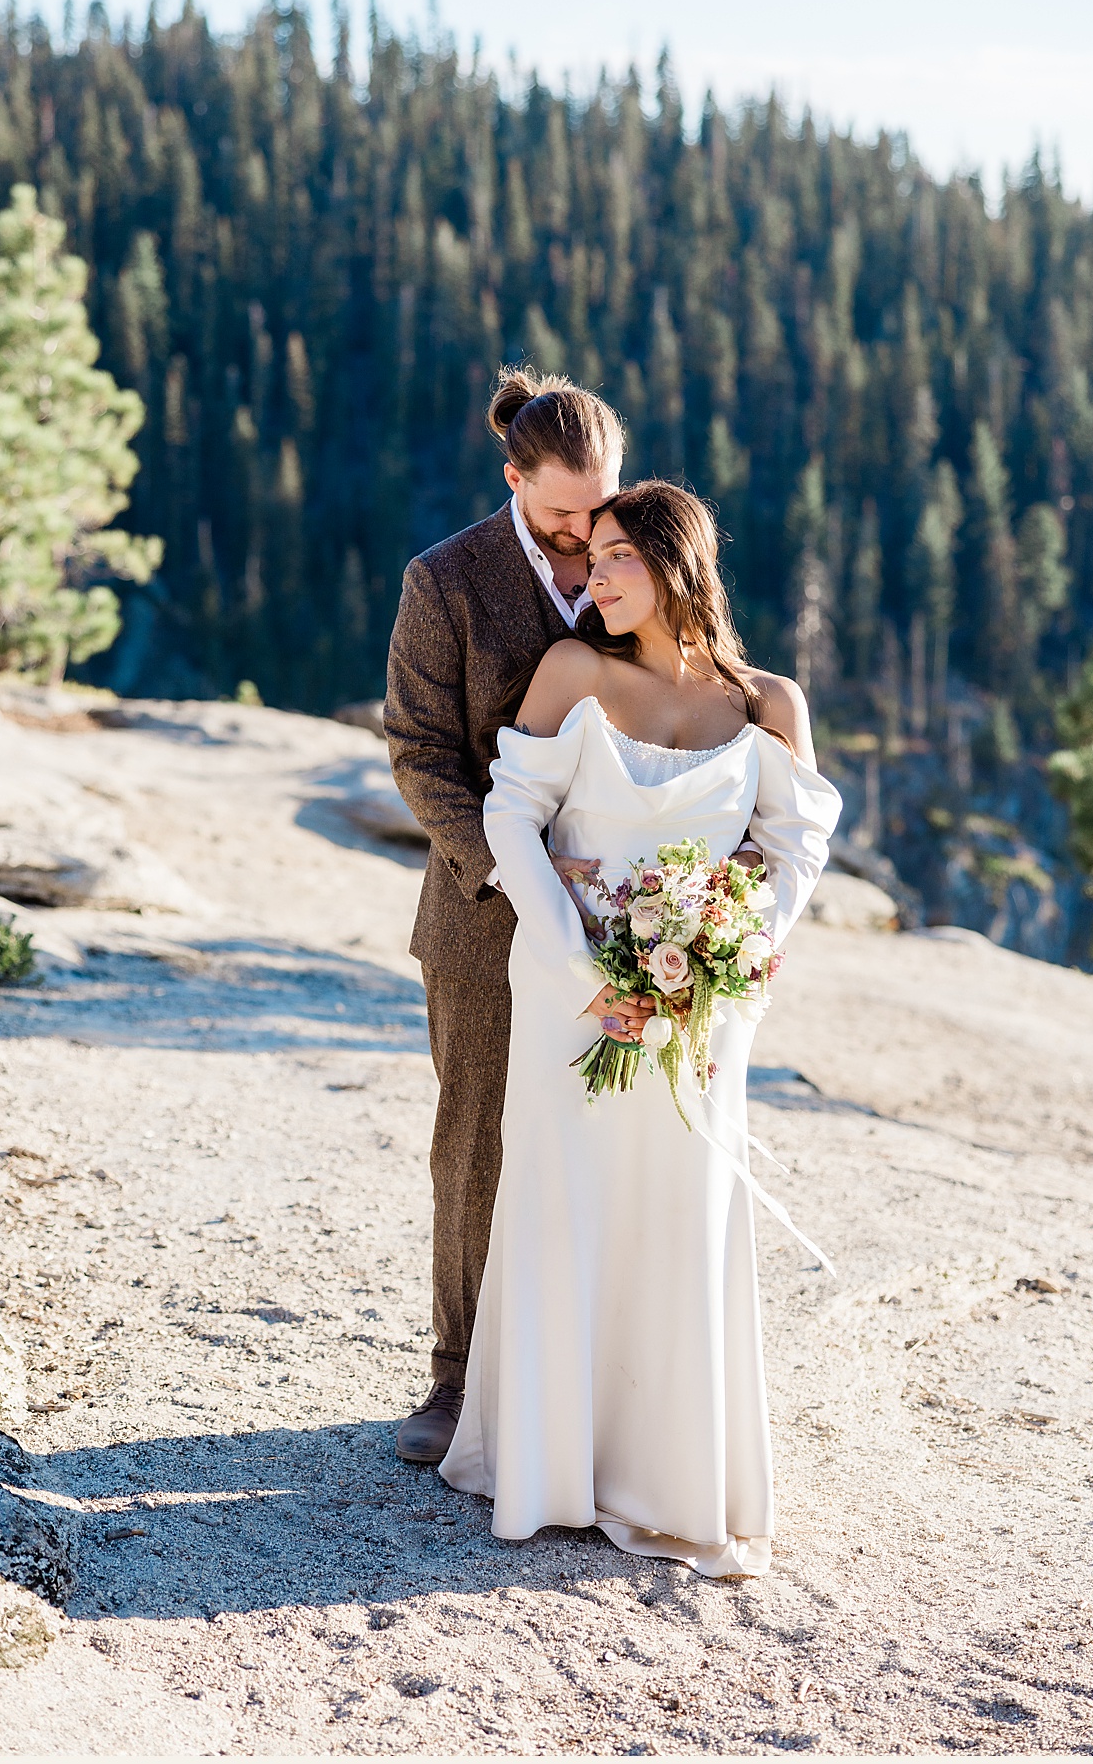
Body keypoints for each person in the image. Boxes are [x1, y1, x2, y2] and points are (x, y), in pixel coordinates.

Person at [437, 479, 839, 1577]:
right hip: (569, 993)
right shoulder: (574, 673)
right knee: (567, 1201)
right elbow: (509, 815)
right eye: (590, 558)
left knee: (681, 1213)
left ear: (676, 565)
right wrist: (582, 970)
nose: (593, 577)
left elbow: (792, 854)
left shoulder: (767, 707)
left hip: (700, 1008)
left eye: (616, 556)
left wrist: (715, 962)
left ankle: (667, 1474)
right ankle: (547, 1464)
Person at [384, 368, 632, 1462]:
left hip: (625, 912)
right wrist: (514, 870)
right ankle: (456, 1376)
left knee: (599, 1140)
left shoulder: (639, 555)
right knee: (476, 1145)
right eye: (565, 511)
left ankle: (579, 1377)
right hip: (480, 918)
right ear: (514, 479)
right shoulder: (444, 580)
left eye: (603, 504)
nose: (588, 534)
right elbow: (418, 754)